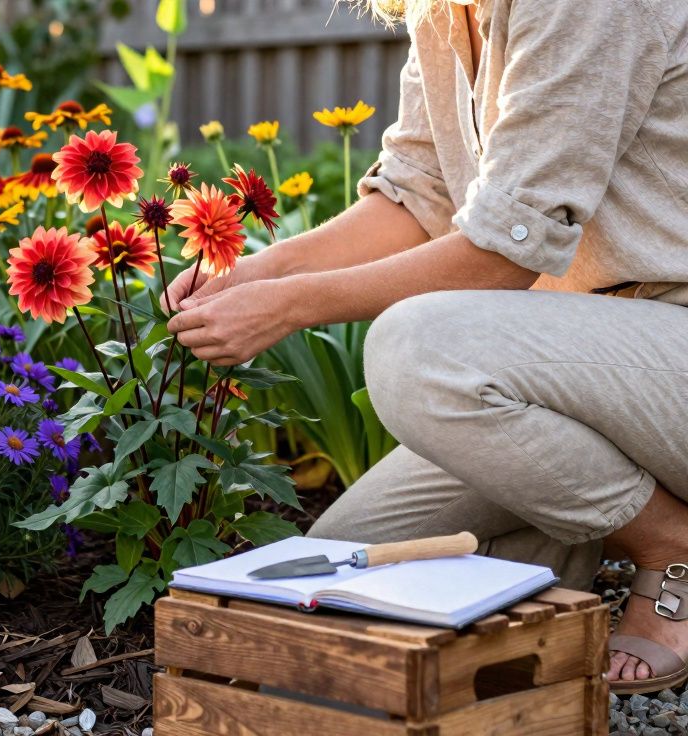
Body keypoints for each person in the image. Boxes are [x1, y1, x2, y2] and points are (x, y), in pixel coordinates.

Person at [163, 0, 688, 695]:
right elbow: (418, 195)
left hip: (667, 337)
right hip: (576, 360)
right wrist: (262, 270)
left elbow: (506, 250)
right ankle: (554, 592)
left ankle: (669, 546)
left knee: (418, 351)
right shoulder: (443, 11)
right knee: (343, 570)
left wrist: (288, 306)